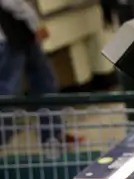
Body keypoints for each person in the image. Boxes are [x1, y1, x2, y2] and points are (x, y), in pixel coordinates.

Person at [0, 0, 80, 147]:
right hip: (11, 33)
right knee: (8, 92)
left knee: (44, 82)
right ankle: (50, 135)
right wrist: (35, 24)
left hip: (19, 31)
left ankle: (53, 134)